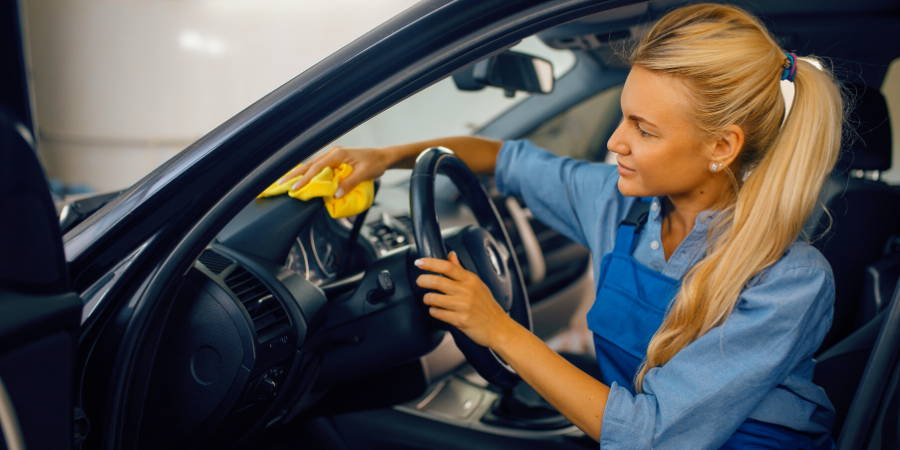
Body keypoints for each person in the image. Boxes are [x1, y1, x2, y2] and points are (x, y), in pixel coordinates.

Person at [281, 3, 843, 448]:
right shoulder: (618, 203)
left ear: (721, 147)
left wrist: (496, 327)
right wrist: (383, 157)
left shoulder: (786, 281)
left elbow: (650, 436)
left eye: (643, 130)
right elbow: (501, 157)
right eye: (622, 114)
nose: (614, 142)